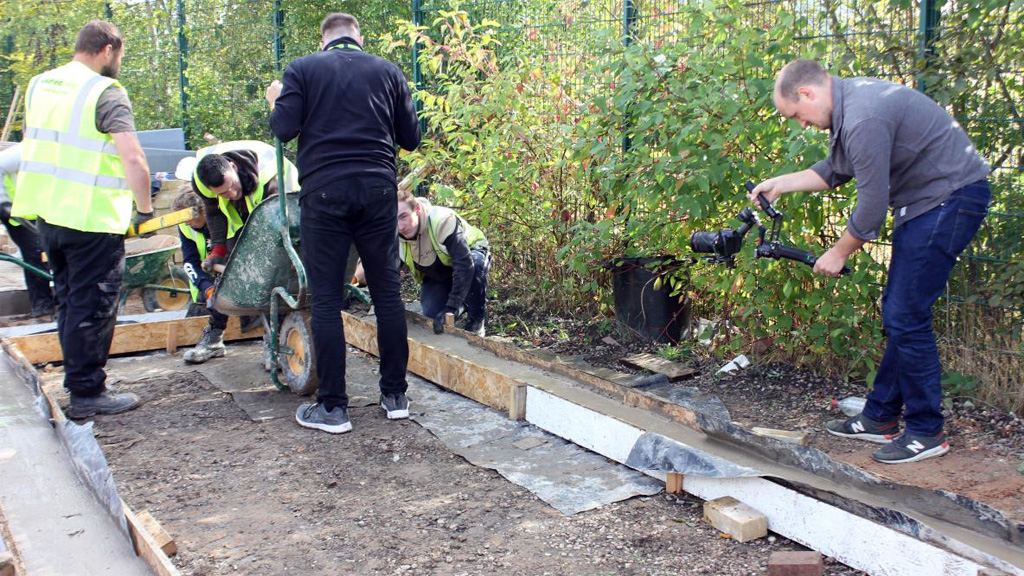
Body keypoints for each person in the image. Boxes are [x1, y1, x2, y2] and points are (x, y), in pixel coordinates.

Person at [750, 59, 991, 464]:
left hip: (949, 199)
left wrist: (838, 252)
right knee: (902, 311)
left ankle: (926, 430)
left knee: (905, 313)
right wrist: (783, 183)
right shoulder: (851, 103)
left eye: (797, 115)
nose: (802, 125)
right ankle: (880, 418)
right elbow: (835, 170)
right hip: (928, 203)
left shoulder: (862, 116)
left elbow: (872, 204)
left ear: (807, 93)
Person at [267, 12, 421, 434]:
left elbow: (283, 127)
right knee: (387, 293)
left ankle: (334, 407)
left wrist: (276, 97)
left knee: (327, 300)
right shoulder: (387, 71)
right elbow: (411, 137)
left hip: (324, 193)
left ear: (324, 41)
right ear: (358, 38)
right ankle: (395, 396)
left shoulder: (302, 69)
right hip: (377, 192)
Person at [12, 21, 155, 418]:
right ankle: (87, 393)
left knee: (71, 301)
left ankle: (80, 384)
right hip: (91, 218)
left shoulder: (42, 85)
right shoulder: (105, 92)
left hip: (49, 215)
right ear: (108, 49)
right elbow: (133, 158)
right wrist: (144, 207)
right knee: (93, 305)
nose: (119, 63)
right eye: (120, 55)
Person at [189, 140, 298, 272]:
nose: (232, 194)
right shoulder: (201, 182)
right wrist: (219, 249)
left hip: (290, 203)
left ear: (233, 167)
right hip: (251, 195)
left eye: (232, 185)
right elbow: (214, 212)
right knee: (236, 253)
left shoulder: (267, 174)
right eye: (223, 193)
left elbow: (272, 229)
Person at [396, 187, 490, 336]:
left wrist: (451, 307)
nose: (400, 226)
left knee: (475, 266)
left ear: (418, 209)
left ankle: (476, 319)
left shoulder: (442, 220)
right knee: (433, 315)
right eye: (394, 219)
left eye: (403, 216)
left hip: (469, 257)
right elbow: (389, 271)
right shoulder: (395, 233)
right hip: (439, 270)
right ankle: (461, 304)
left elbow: (465, 265)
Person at [171, 189, 230, 363]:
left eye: (190, 218)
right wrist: (207, 288)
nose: (187, 223)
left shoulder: (223, 219)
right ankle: (213, 341)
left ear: (204, 211)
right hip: (204, 284)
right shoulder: (185, 226)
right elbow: (189, 262)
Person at [0, 144, 56, 317]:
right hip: (18, 215)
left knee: (53, 255)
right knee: (36, 256)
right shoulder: (25, 151)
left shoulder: (62, 153)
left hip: (45, 214)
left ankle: (62, 303)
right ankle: (42, 307)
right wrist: (3, 202)